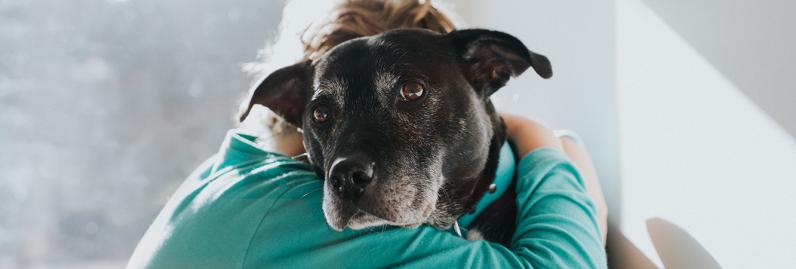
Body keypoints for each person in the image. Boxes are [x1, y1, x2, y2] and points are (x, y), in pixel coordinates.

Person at [128, 0, 609, 268]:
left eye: (411, 90)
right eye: (325, 115)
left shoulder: (236, 173)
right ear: (292, 107)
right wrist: (543, 137)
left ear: (483, 74)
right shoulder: (296, 212)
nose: (349, 159)